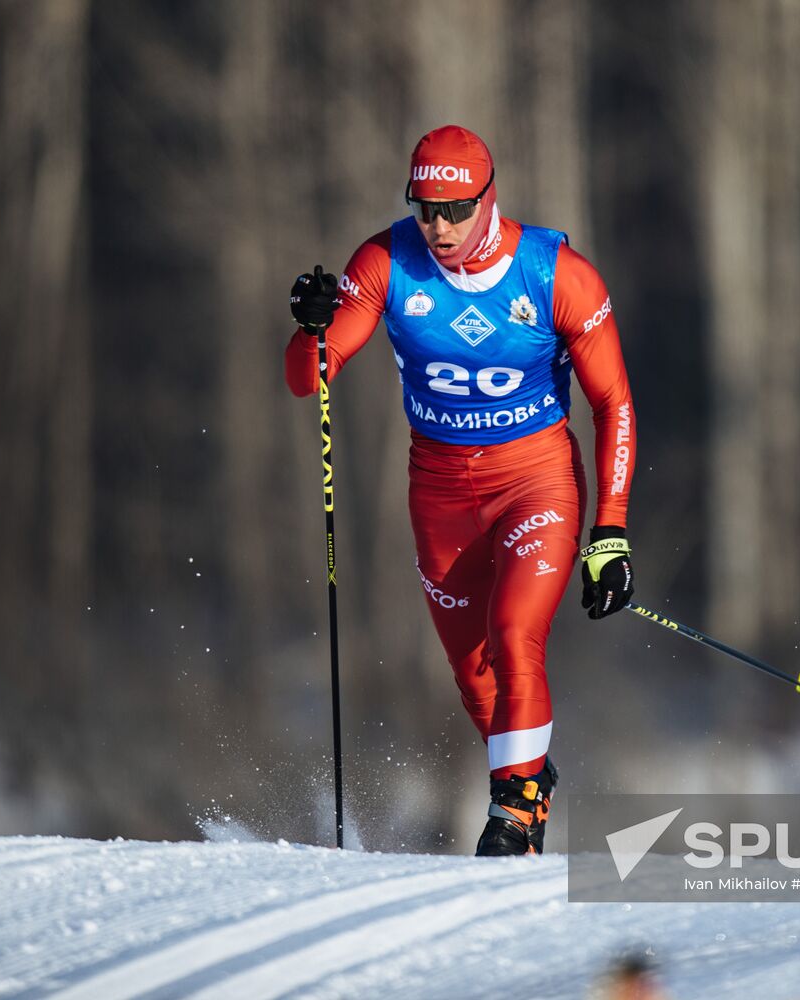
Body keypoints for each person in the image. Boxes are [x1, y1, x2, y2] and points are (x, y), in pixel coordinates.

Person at [285, 124, 637, 856]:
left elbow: (614, 404)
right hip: (441, 492)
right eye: (425, 210)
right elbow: (306, 378)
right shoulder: (385, 263)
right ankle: (530, 774)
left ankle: (513, 813)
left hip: (535, 480)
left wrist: (609, 530)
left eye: (456, 209)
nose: (439, 227)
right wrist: (309, 330)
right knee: (474, 673)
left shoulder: (557, 275)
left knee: (515, 634)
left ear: (487, 197)